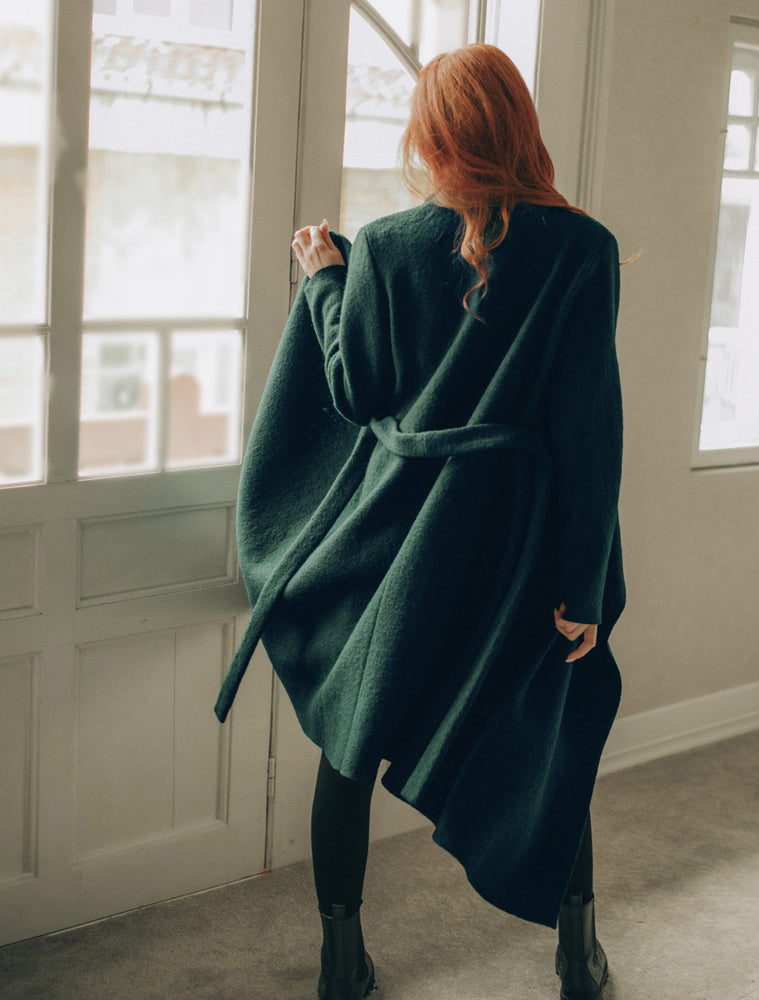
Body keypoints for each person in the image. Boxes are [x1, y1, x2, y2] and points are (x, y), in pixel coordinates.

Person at [214, 43, 626, 1000]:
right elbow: (588, 436)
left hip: (401, 551)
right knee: (549, 740)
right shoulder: (584, 249)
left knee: (352, 745)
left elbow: (357, 391)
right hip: (521, 553)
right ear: (521, 127)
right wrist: (584, 586)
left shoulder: (389, 246)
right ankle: (577, 956)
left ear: (431, 137)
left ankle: (342, 965)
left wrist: (324, 277)